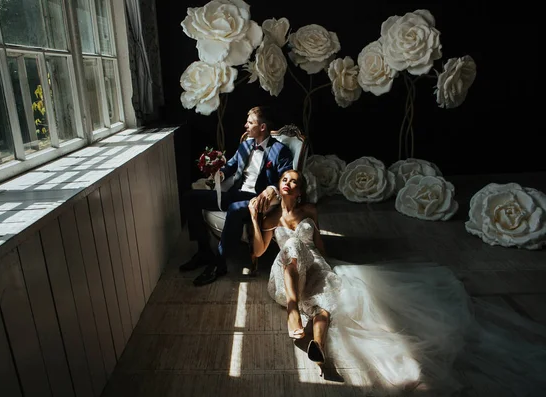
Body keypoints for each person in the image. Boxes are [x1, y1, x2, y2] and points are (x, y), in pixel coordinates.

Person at [249, 169, 546, 395]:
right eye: (285, 179)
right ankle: (292, 307)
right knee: (291, 248)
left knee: (323, 308)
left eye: (295, 182)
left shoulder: (310, 211)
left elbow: (319, 246)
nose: (289, 183)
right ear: (280, 185)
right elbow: (259, 251)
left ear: (300, 191)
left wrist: (331, 267)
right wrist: (253, 216)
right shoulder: (273, 216)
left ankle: (319, 347)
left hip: (314, 267)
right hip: (284, 275)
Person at [180, 106, 294, 286]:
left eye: (250, 122)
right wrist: (220, 173)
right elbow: (231, 165)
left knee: (234, 209)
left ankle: (219, 263)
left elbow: (287, 178)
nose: (245, 125)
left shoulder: (281, 151)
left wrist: (273, 188)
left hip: (256, 200)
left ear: (262, 127)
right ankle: (203, 251)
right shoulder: (246, 144)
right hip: (235, 193)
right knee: (190, 197)